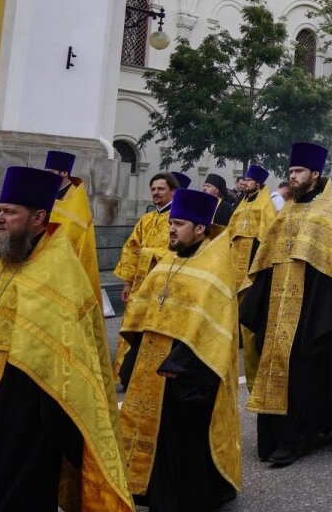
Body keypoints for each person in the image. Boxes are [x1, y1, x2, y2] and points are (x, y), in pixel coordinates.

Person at [0, 166, 133, 512]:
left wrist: (60, 435)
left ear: (38, 218)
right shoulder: (6, 262)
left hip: (30, 417)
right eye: (0, 210)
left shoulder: (59, 270)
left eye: (9, 211)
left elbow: (69, 359)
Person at [239, 142, 332, 466]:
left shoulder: (327, 214)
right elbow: (268, 256)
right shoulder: (287, 210)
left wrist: (318, 315)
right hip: (276, 308)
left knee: (303, 373)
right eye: (290, 172)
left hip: (311, 310)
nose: (293, 177)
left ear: (315, 174)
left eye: (298, 172)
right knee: (276, 366)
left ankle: (299, 437)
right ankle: (290, 431)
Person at [118, 188, 240, 511]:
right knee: (154, 434)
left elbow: (212, 325)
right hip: (151, 363)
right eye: (171, 222)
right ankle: (149, 489)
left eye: (180, 224)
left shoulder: (215, 269)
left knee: (182, 437)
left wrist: (182, 364)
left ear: (200, 228)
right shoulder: (167, 262)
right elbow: (143, 311)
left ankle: (185, 498)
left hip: (189, 372)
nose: (171, 229)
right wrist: (132, 358)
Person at [113, 171, 178, 374]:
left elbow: (179, 252)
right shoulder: (146, 219)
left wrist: (151, 252)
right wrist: (127, 283)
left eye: (161, 189)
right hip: (139, 285)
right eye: (153, 189)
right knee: (132, 327)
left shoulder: (177, 219)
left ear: (173, 192)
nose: (156, 193)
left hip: (163, 285)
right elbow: (130, 250)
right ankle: (126, 371)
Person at [225, 163, 276, 390]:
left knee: (249, 309)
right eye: (244, 179)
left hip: (251, 262)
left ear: (259, 183)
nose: (244, 182)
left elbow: (266, 238)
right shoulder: (242, 202)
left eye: (249, 179)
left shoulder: (265, 204)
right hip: (234, 258)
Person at [43, 149, 102, 301]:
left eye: (50, 172)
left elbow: (74, 232)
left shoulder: (76, 198)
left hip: (68, 262)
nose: (46, 176)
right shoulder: (48, 193)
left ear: (64, 173)